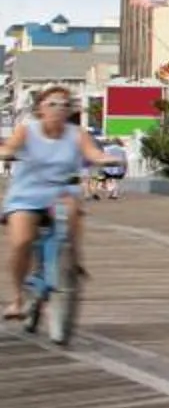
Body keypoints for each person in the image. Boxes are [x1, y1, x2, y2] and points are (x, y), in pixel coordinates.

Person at [3, 86, 121, 320]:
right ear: (40, 109)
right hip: (27, 193)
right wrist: (6, 153)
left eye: (65, 105)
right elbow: (10, 147)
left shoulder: (77, 133)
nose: (59, 109)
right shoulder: (27, 130)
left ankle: (73, 259)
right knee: (22, 242)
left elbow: (93, 154)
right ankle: (18, 299)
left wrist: (106, 159)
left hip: (61, 190)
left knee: (73, 209)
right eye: (53, 104)